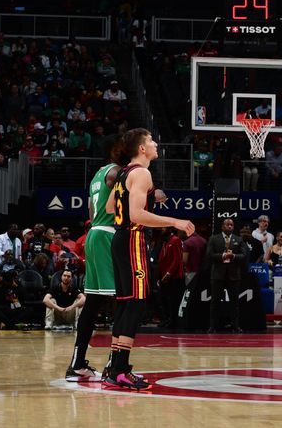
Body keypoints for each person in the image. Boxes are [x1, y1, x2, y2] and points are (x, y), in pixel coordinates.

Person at [104, 128, 195, 390]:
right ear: (142, 149)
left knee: (125, 304)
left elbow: (111, 207)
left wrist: (141, 195)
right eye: (151, 141)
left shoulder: (123, 172)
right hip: (132, 239)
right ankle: (120, 369)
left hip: (119, 240)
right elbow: (135, 214)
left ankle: (115, 367)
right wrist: (174, 220)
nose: (156, 144)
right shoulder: (142, 172)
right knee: (135, 304)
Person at [65, 137, 124, 382]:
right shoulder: (116, 171)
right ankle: (114, 365)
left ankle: (77, 364)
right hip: (108, 235)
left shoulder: (97, 175)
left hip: (94, 233)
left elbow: (90, 210)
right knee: (122, 298)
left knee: (93, 302)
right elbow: (117, 185)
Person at [207, 219, 246, 333]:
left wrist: (233, 256)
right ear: (222, 226)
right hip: (218, 275)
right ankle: (213, 326)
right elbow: (209, 255)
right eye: (227, 225)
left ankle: (235, 326)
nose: (230, 226)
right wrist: (223, 255)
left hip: (234, 276)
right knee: (215, 302)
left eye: (232, 225)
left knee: (234, 303)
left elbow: (244, 255)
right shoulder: (214, 238)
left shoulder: (238, 239)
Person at [157, 227, 185, 329]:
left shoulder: (175, 240)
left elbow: (177, 259)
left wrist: (169, 273)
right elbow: (161, 261)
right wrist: (159, 277)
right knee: (164, 300)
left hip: (174, 277)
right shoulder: (165, 241)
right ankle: (167, 319)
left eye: (164, 227)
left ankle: (173, 321)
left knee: (173, 301)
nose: (162, 229)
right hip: (164, 278)